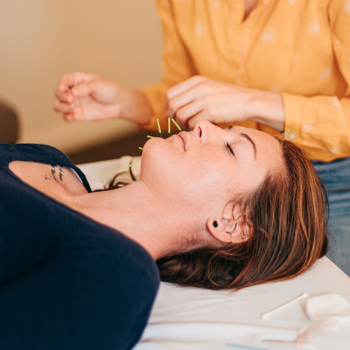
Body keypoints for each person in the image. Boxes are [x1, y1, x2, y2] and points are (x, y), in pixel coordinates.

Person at [53, 0, 350, 275]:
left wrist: (252, 102)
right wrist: (128, 102)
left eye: (233, 146)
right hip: (217, 184)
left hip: (334, 180)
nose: (201, 126)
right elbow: (185, 93)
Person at [1, 122, 327, 349]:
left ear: (231, 223)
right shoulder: (52, 159)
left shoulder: (117, 275)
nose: (204, 125)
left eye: (231, 148)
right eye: (225, 129)